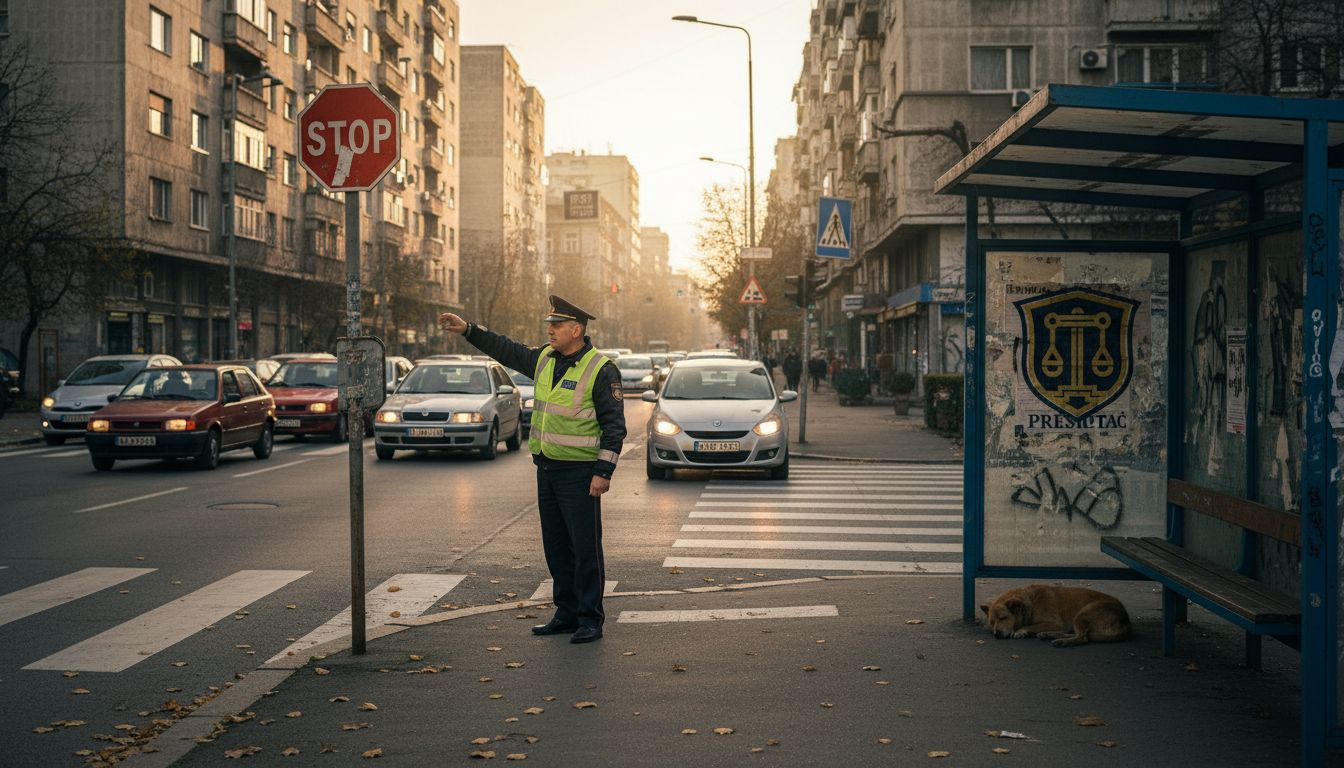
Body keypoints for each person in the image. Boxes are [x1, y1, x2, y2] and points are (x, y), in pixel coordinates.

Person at [438, 296, 626, 644]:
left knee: (584, 549)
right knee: (556, 547)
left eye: (556, 325)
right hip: (548, 469)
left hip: (581, 473)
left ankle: (590, 619)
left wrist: (604, 472)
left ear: (576, 330)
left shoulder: (601, 369)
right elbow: (505, 349)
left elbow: (614, 427)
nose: (549, 330)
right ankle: (566, 613)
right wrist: (468, 329)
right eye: (549, 325)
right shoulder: (544, 359)